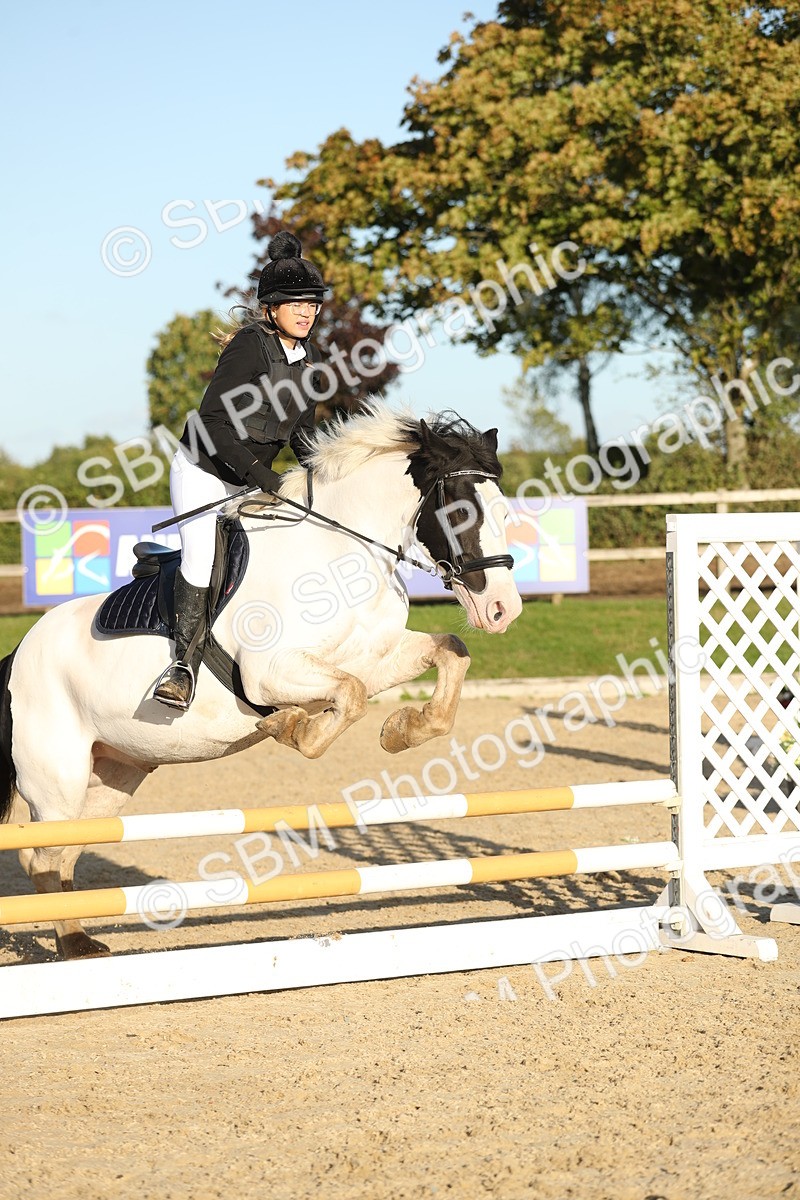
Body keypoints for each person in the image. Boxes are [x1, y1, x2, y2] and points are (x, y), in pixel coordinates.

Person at [152, 231, 328, 710]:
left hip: (248, 480)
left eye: (313, 303)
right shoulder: (250, 347)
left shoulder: (310, 361)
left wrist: (325, 477)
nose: (307, 312)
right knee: (200, 560)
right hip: (203, 470)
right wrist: (262, 476)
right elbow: (210, 423)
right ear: (271, 308)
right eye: (297, 303)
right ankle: (181, 667)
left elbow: (303, 436)